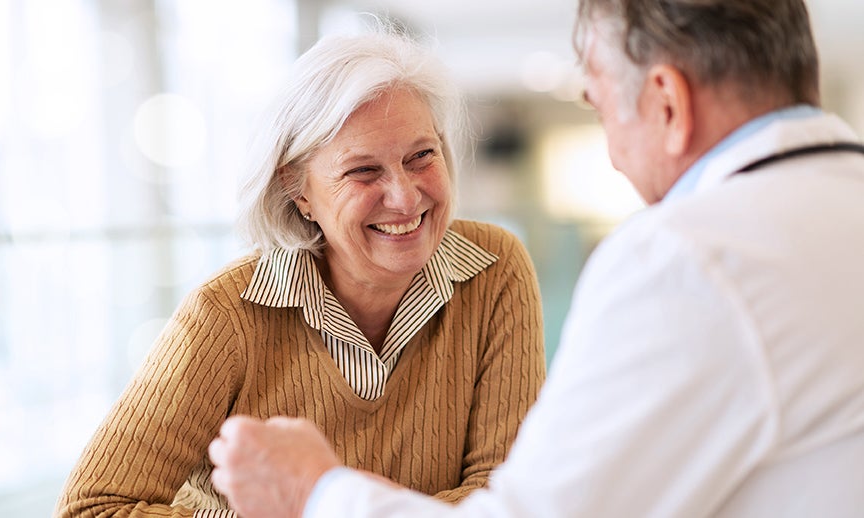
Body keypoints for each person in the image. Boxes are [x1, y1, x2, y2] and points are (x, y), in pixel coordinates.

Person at [206, 0, 864, 517]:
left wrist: (317, 492)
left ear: (668, 103)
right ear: (300, 190)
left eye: (600, 105)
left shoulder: (688, 257)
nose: (612, 149)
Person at [54, 26, 546, 518]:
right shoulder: (225, 315)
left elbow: (510, 497)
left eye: (421, 156)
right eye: (363, 171)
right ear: (298, 190)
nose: (405, 196)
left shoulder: (494, 270)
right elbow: (92, 508)